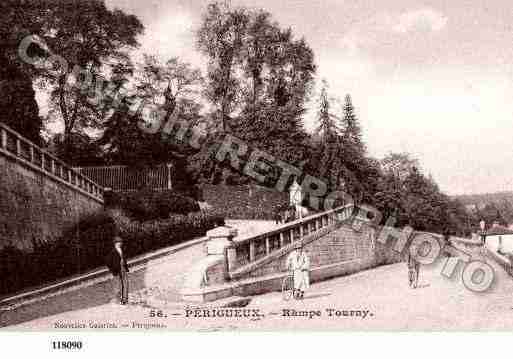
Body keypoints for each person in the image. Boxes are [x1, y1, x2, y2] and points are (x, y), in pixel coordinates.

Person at [105, 216, 129, 305]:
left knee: (125, 284)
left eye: (120, 242)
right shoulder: (112, 252)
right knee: (119, 285)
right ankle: (120, 299)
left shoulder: (121, 250)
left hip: (123, 269)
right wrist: (112, 269)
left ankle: (125, 300)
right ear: (115, 243)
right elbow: (108, 262)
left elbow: (124, 258)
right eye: (118, 242)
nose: (120, 244)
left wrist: (126, 267)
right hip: (117, 269)